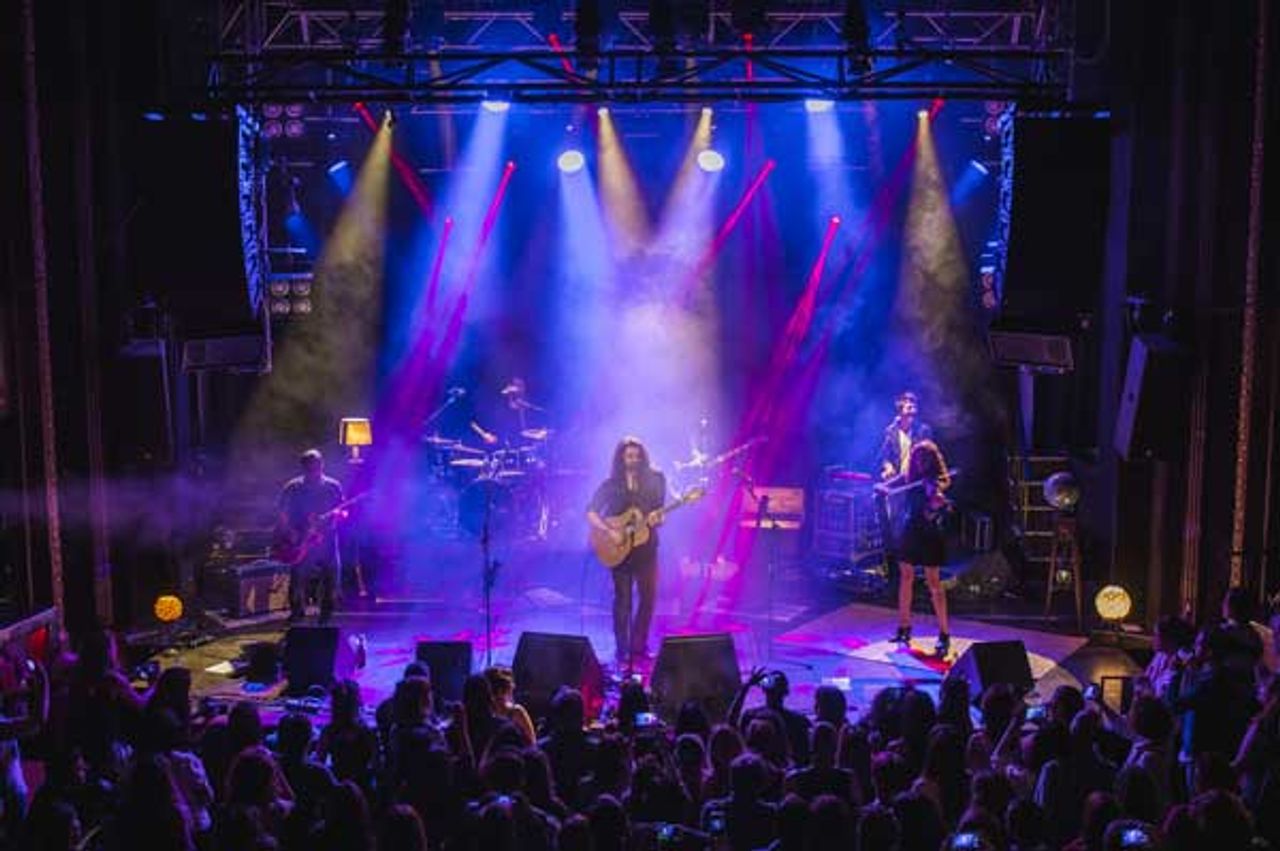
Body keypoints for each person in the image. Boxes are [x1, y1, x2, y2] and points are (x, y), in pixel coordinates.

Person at [587, 437, 668, 668]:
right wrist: (608, 531)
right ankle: (622, 649)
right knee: (622, 600)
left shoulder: (655, 480)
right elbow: (591, 511)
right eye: (629, 456)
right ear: (621, 458)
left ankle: (639, 646)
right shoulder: (611, 485)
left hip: (647, 548)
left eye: (637, 456)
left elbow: (660, 513)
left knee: (648, 598)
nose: (634, 461)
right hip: (619, 550)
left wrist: (658, 518)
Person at [883, 437, 953, 655]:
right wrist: (882, 488)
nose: (922, 463)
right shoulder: (909, 477)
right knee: (906, 578)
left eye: (926, 459)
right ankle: (904, 627)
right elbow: (887, 486)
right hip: (911, 530)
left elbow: (935, 511)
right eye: (918, 458)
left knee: (934, 583)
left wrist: (936, 505)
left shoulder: (938, 481)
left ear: (933, 460)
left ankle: (944, 634)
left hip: (930, 533)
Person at [277, 448, 345, 623]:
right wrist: (291, 533)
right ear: (304, 467)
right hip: (302, 539)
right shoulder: (293, 487)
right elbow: (282, 513)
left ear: (322, 465)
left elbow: (342, 511)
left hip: (327, 540)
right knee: (298, 577)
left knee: (331, 579)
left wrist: (338, 516)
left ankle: (326, 617)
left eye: (316, 466)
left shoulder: (333, 486)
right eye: (309, 467)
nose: (313, 471)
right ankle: (297, 614)